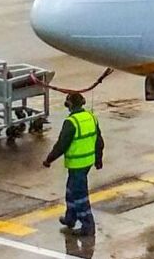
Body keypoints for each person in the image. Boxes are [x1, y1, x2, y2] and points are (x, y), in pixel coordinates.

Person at [42, 92, 101, 235]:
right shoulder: (91, 117)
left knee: (79, 194)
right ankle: (71, 217)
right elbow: (99, 141)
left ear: (69, 105)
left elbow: (62, 145)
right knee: (70, 189)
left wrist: (49, 159)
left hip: (77, 164)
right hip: (87, 162)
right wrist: (98, 160)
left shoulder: (71, 122)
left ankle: (88, 225)